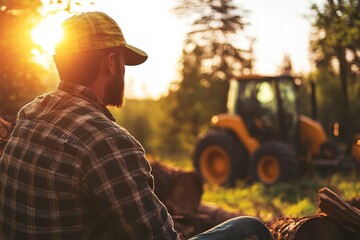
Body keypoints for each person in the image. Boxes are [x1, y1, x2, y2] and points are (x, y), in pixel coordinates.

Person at [0, 11, 273, 240]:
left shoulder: (30, 113)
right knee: (250, 227)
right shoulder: (106, 140)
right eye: (123, 62)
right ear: (110, 63)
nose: (123, 71)